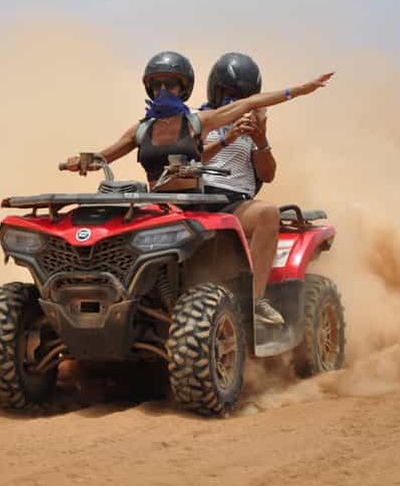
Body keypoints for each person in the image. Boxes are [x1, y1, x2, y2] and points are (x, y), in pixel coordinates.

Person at [64, 50, 333, 325]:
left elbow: (253, 111)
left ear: (183, 87)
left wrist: (300, 91)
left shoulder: (199, 122)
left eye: (170, 84)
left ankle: (254, 302)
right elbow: (103, 156)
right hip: (170, 202)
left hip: (224, 201)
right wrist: (80, 160)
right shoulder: (150, 127)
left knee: (267, 214)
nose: (163, 91)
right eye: (157, 85)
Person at [199, 52, 284, 324]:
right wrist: (227, 136)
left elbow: (267, 175)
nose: (234, 101)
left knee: (268, 214)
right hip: (195, 199)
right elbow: (189, 158)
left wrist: (261, 139)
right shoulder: (200, 120)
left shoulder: (252, 129)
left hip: (234, 204)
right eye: (229, 93)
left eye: (243, 96)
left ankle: (255, 301)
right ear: (215, 90)